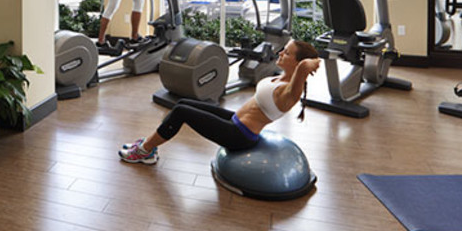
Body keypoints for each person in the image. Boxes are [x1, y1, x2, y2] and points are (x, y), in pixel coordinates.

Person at [119, 39, 320, 164]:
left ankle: (145, 151)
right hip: (234, 120)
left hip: (239, 135)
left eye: (286, 53)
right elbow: (299, 69)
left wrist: (310, 63)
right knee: (182, 105)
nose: (280, 54)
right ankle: (149, 144)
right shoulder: (281, 78)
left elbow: (303, 69)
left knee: (181, 114)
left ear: (298, 62)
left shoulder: (290, 94)